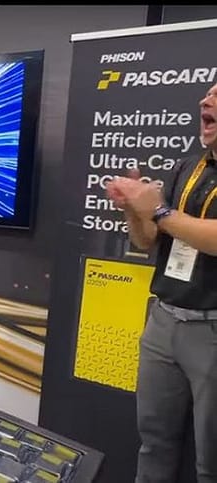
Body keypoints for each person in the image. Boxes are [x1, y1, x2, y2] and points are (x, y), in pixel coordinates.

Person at [106, 81, 217, 482]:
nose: (205, 100)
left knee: (211, 463)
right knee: (154, 443)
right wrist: (133, 211)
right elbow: (147, 240)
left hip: (211, 330)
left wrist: (158, 210)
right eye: (208, 93)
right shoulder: (187, 167)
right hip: (164, 321)